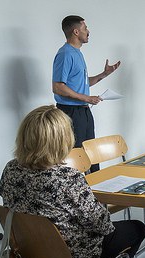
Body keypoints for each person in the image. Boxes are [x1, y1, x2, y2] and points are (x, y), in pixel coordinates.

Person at [0, 105, 145, 258]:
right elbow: (102, 225)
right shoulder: (67, 178)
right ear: (62, 140)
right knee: (136, 228)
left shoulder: (10, 170)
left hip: (29, 254)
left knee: (89, 232)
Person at [52, 15, 121, 171]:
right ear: (76, 32)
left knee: (92, 154)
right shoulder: (65, 54)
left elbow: (81, 83)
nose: (88, 31)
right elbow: (58, 87)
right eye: (85, 28)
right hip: (70, 112)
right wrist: (87, 98)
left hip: (83, 111)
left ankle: (95, 191)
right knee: (76, 156)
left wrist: (104, 74)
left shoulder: (77, 53)